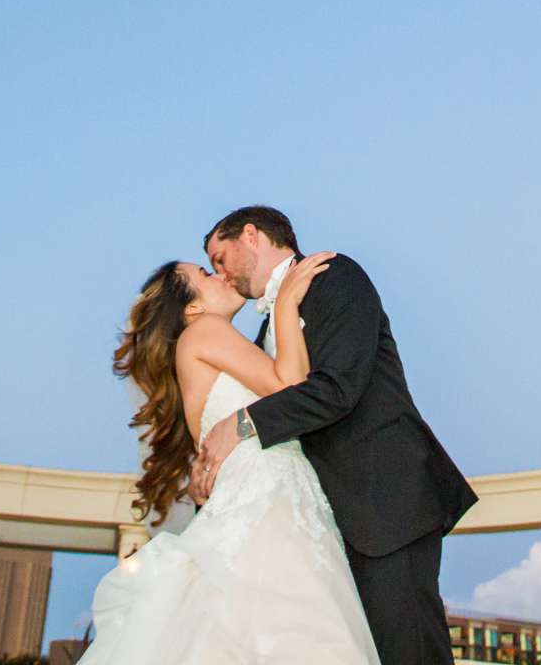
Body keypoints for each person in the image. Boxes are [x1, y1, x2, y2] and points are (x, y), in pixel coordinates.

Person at [195, 205, 476, 665]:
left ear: (250, 235)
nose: (220, 273)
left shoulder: (335, 276)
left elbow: (338, 388)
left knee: (409, 653)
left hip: (384, 504)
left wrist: (244, 423)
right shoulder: (267, 327)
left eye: (219, 256)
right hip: (326, 526)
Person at [83, 250, 378, 665]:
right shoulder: (204, 331)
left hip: (266, 493)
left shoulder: (206, 348)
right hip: (268, 500)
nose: (219, 274)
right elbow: (291, 383)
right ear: (193, 306)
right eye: (205, 273)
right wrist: (287, 304)